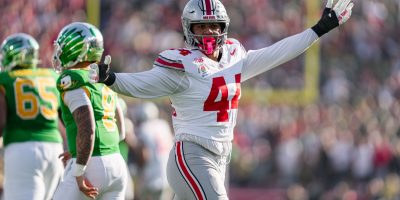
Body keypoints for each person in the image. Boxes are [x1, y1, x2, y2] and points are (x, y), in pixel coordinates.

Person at [90, 0, 354, 199]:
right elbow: (145, 84)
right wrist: (112, 79)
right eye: (201, 26)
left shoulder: (234, 56)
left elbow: (276, 53)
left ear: (223, 27)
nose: (208, 32)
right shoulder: (183, 64)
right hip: (191, 155)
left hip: (219, 159)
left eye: (213, 25)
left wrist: (318, 30)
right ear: (188, 29)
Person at [51, 22, 127, 200]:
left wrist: (79, 169)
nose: (58, 53)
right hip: (117, 164)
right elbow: (121, 133)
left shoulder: (72, 78)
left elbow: (88, 128)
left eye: (62, 48)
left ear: (76, 49)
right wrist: (80, 147)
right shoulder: (102, 77)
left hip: (91, 167)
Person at [0, 33, 64, 200]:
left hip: (21, 149)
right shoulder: (52, 77)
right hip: (55, 150)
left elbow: (0, 121)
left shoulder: (5, 79)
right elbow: (66, 118)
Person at [134, 101, 174, 200]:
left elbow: (144, 154)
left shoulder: (144, 128)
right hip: (168, 175)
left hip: (152, 176)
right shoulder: (163, 125)